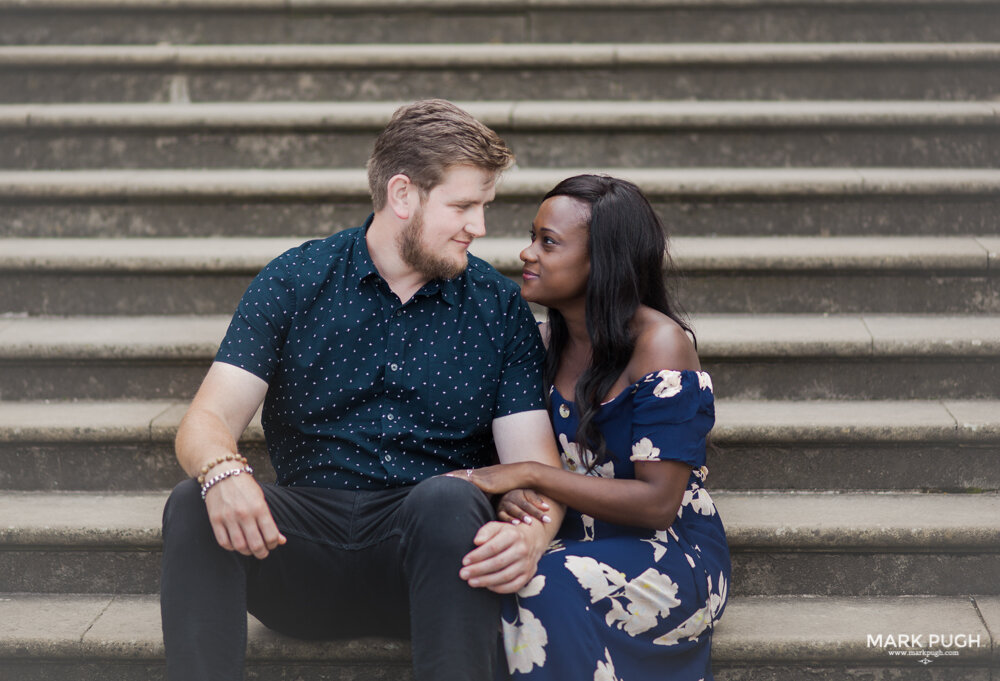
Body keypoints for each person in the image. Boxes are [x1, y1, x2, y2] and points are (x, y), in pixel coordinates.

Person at [160, 99, 564, 681]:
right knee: (193, 502)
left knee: (448, 500)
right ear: (403, 195)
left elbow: (534, 468)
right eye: (463, 206)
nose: (479, 226)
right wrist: (224, 472)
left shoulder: (495, 305)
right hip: (298, 560)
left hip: (429, 561)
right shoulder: (297, 279)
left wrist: (532, 538)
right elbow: (205, 421)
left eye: (483, 206)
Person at [447, 175, 730, 680]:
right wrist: (513, 492)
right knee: (494, 573)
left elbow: (657, 505)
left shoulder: (661, 346)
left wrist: (529, 475)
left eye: (548, 242)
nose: (526, 253)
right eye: (533, 236)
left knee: (541, 582)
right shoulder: (533, 344)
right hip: (569, 544)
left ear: (603, 260)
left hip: (671, 559)